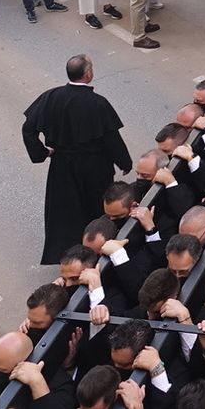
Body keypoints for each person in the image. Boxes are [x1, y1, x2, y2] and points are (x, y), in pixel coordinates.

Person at [22, 54, 133, 265]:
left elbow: (28, 128)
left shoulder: (50, 97)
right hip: (95, 167)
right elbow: (111, 138)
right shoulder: (97, 104)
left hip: (62, 165)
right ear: (88, 74)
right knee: (95, 208)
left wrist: (43, 153)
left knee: (67, 210)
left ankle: (69, 256)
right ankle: (100, 249)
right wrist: (124, 162)